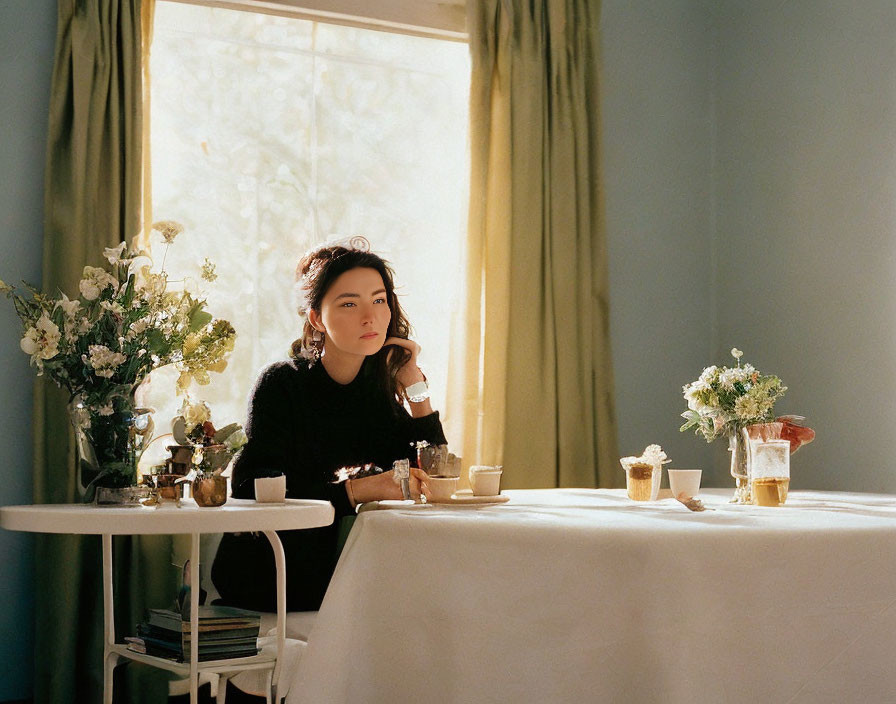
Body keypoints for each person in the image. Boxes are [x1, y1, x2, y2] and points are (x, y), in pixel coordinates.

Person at [211, 237, 445, 611]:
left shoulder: (376, 394)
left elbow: (435, 475)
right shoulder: (282, 383)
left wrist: (415, 389)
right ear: (317, 318)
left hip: (348, 575)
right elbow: (253, 487)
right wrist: (358, 491)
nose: (370, 316)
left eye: (379, 299)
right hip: (269, 575)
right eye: (349, 303)